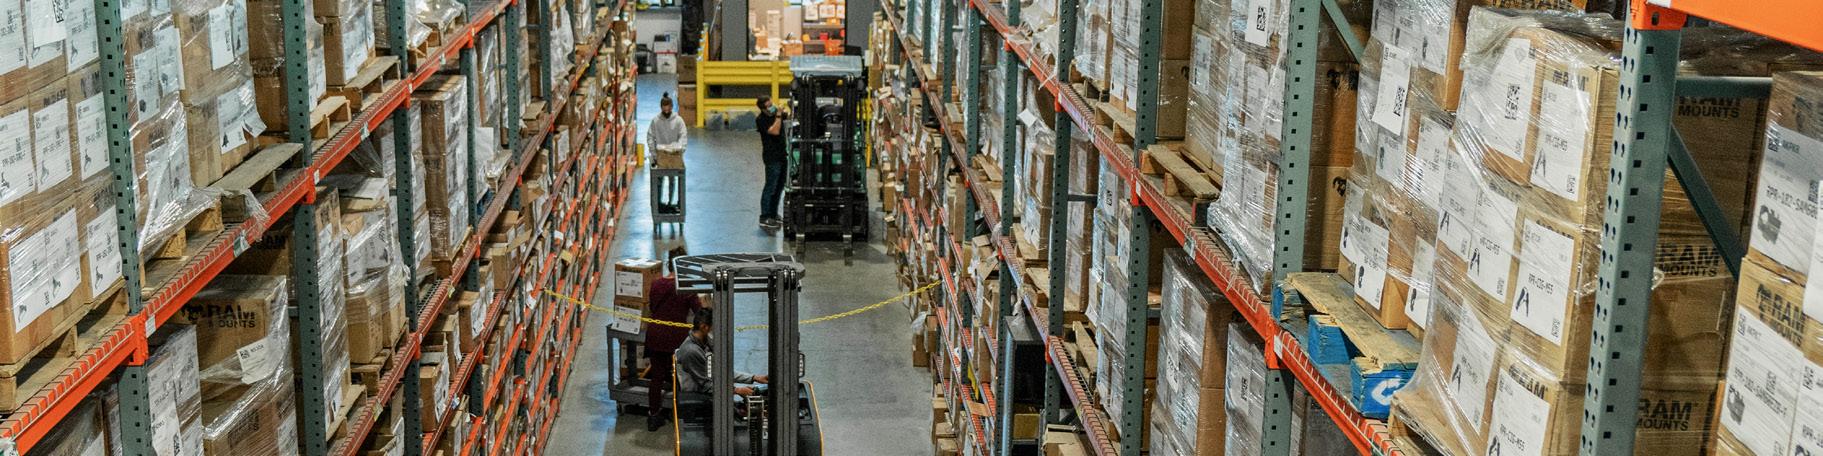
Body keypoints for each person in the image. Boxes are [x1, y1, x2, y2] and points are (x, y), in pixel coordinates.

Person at [643, 246, 700, 431]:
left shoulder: (656, 284)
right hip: (675, 338)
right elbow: (699, 312)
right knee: (678, 377)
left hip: (655, 335)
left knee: (657, 377)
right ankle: (678, 413)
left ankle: (653, 416)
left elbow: (653, 307)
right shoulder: (685, 288)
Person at [675, 308, 769, 398]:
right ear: (704, 327)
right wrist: (736, 390)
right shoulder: (691, 351)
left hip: (708, 392)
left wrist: (754, 378)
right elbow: (706, 386)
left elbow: (718, 372)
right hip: (699, 396)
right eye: (714, 327)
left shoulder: (705, 344)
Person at [647, 93, 689, 212]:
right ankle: (659, 204)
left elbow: (683, 136)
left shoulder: (678, 121)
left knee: (672, 179)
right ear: (661, 107)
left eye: (668, 108)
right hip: (661, 156)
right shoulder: (656, 121)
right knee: (659, 180)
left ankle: (671, 203)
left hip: (674, 155)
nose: (666, 110)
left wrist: (679, 149)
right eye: (664, 108)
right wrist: (654, 153)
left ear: (671, 107)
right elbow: (650, 137)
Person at [755, 96, 789, 229]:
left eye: (772, 104)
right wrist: (779, 115)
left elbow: (789, 117)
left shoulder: (776, 114)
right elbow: (774, 131)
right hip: (771, 157)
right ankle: (764, 216)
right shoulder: (761, 120)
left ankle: (773, 214)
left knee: (779, 186)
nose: (772, 108)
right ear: (763, 109)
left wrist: (785, 111)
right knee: (770, 186)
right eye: (769, 106)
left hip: (782, 155)